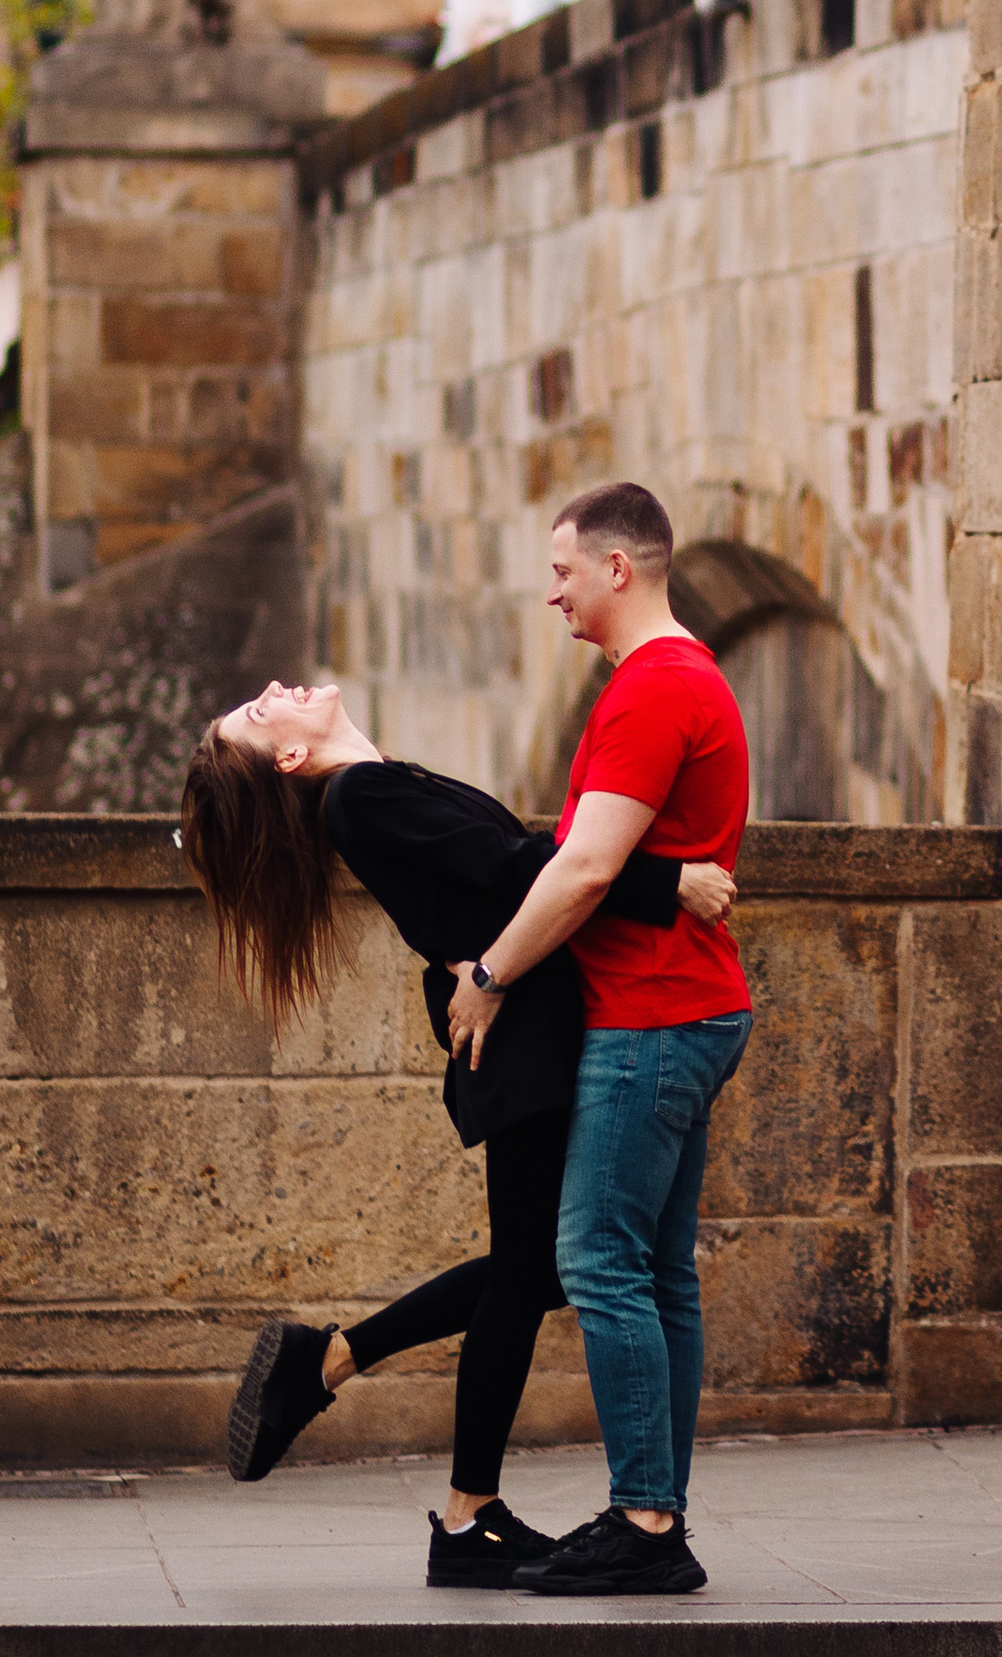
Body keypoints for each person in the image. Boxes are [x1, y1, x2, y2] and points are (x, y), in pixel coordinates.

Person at [177, 679, 737, 1588]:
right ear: (285, 757)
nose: (275, 690)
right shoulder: (360, 797)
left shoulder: (376, 785)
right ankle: (424, 1466)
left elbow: (513, 862)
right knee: (541, 1269)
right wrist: (663, 882)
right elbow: (523, 864)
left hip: (527, 1030)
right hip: (522, 1042)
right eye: (256, 710)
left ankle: (410, 1450)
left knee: (537, 1269)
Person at [443, 483, 754, 1599]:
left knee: (597, 1262)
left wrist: (486, 975)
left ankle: (644, 1518)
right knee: (658, 1272)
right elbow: (611, 864)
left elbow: (582, 870)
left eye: (565, 571)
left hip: (653, 1017)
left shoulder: (649, 690)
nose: (553, 592)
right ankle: (653, 1510)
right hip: (690, 1006)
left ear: (619, 569)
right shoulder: (687, 674)